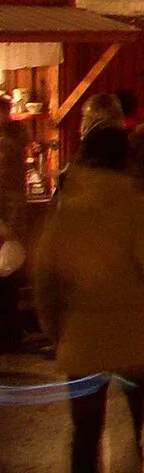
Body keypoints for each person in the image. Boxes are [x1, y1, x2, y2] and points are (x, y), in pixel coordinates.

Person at [32, 123, 144, 473]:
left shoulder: (66, 210)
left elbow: (45, 277)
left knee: (85, 432)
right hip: (134, 340)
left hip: (82, 342)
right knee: (131, 429)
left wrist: (55, 329)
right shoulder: (138, 207)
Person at [0, 93, 27, 350]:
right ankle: (10, 334)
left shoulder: (7, 143)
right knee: (8, 281)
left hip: (7, 219)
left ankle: (8, 335)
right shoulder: (14, 139)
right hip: (11, 218)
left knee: (6, 282)